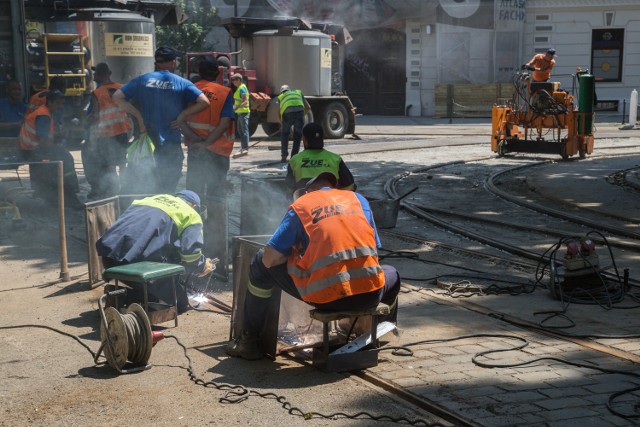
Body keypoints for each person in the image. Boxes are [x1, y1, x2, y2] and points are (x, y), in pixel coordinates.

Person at [225, 171, 400, 360]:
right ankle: (380, 329)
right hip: (370, 295)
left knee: (259, 264)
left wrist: (293, 255)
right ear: (333, 188)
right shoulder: (358, 200)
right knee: (393, 273)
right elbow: (371, 247)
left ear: (307, 193)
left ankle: (248, 341)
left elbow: (270, 259)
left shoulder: (302, 206)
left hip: (325, 297)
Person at [96, 190, 215, 312]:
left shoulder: (150, 199)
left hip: (109, 258)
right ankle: (123, 297)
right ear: (194, 206)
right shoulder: (191, 214)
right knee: (179, 302)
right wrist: (202, 265)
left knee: (153, 293)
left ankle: (117, 295)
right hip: (133, 265)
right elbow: (190, 255)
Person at [113, 45, 210, 194]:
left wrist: (138, 117)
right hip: (170, 146)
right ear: (173, 62)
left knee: (144, 190)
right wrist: (182, 115)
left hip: (147, 146)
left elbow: (117, 97)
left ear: (156, 62)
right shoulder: (182, 82)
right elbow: (204, 101)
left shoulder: (142, 80)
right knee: (166, 191)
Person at [177, 57, 235, 272]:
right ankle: (217, 249)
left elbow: (180, 119)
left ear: (199, 73)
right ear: (218, 73)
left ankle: (192, 245)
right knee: (217, 199)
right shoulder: (225, 92)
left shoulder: (189, 90)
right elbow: (226, 121)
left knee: (193, 198)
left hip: (196, 152)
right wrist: (208, 144)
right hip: (217, 153)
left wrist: (196, 142)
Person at [18, 90, 82, 209]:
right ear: (50, 102)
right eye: (58, 103)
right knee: (66, 159)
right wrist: (56, 147)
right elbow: (43, 141)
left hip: (33, 148)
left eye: (62, 103)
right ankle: (70, 196)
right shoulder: (44, 115)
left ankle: (60, 195)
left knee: (63, 156)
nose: (60, 106)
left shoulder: (45, 112)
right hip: (33, 150)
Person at [82, 63, 132, 199]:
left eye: (95, 73)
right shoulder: (121, 88)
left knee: (109, 165)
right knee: (122, 163)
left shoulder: (97, 93)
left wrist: (86, 127)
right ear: (109, 73)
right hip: (122, 131)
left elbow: (94, 117)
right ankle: (125, 191)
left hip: (106, 134)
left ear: (98, 75)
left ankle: (113, 192)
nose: (93, 75)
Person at [285, 122, 355, 193]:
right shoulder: (336, 159)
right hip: (330, 201)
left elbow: (289, 188)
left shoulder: (294, 160)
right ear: (322, 139)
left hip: (305, 201)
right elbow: (350, 186)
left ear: (305, 140)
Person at [278, 85, 310, 163]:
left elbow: (279, 113)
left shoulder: (281, 96)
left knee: (284, 134)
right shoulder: (298, 92)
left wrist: (282, 125)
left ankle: (284, 156)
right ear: (289, 90)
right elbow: (308, 107)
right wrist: (303, 115)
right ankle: (294, 157)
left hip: (287, 114)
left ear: (281, 92)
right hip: (300, 112)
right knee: (298, 135)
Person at [231, 73, 250, 156]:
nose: (233, 82)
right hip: (240, 112)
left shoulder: (242, 88)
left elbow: (245, 101)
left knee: (244, 131)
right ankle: (243, 147)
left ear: (239, 80)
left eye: (234, 80)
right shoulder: (239, 88)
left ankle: (245, 148)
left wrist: (236, 107)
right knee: (240, 131)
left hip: (244, 112)